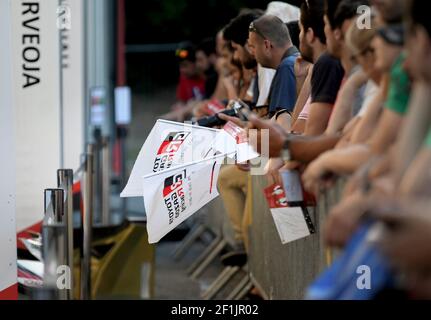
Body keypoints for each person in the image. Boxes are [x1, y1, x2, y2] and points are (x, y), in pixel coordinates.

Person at [248, 14, 299, 117]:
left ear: (267, 45)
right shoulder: (293, 62)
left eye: (253, 47)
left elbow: (283, 128)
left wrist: (248, 133)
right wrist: (243, 125)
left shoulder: (287, 67)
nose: (251, 52)